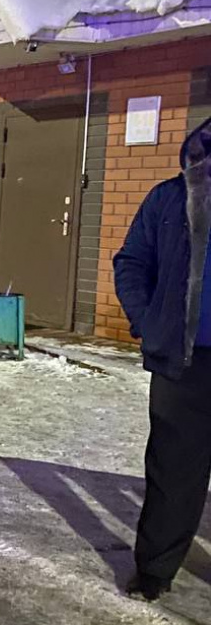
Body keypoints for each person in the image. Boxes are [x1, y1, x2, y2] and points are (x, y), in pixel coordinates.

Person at [113, 115, 211, 602]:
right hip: (183, 360)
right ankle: (154, 570)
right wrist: (148, 322)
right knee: (174, 470)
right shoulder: (169, 197)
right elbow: (131, 262)